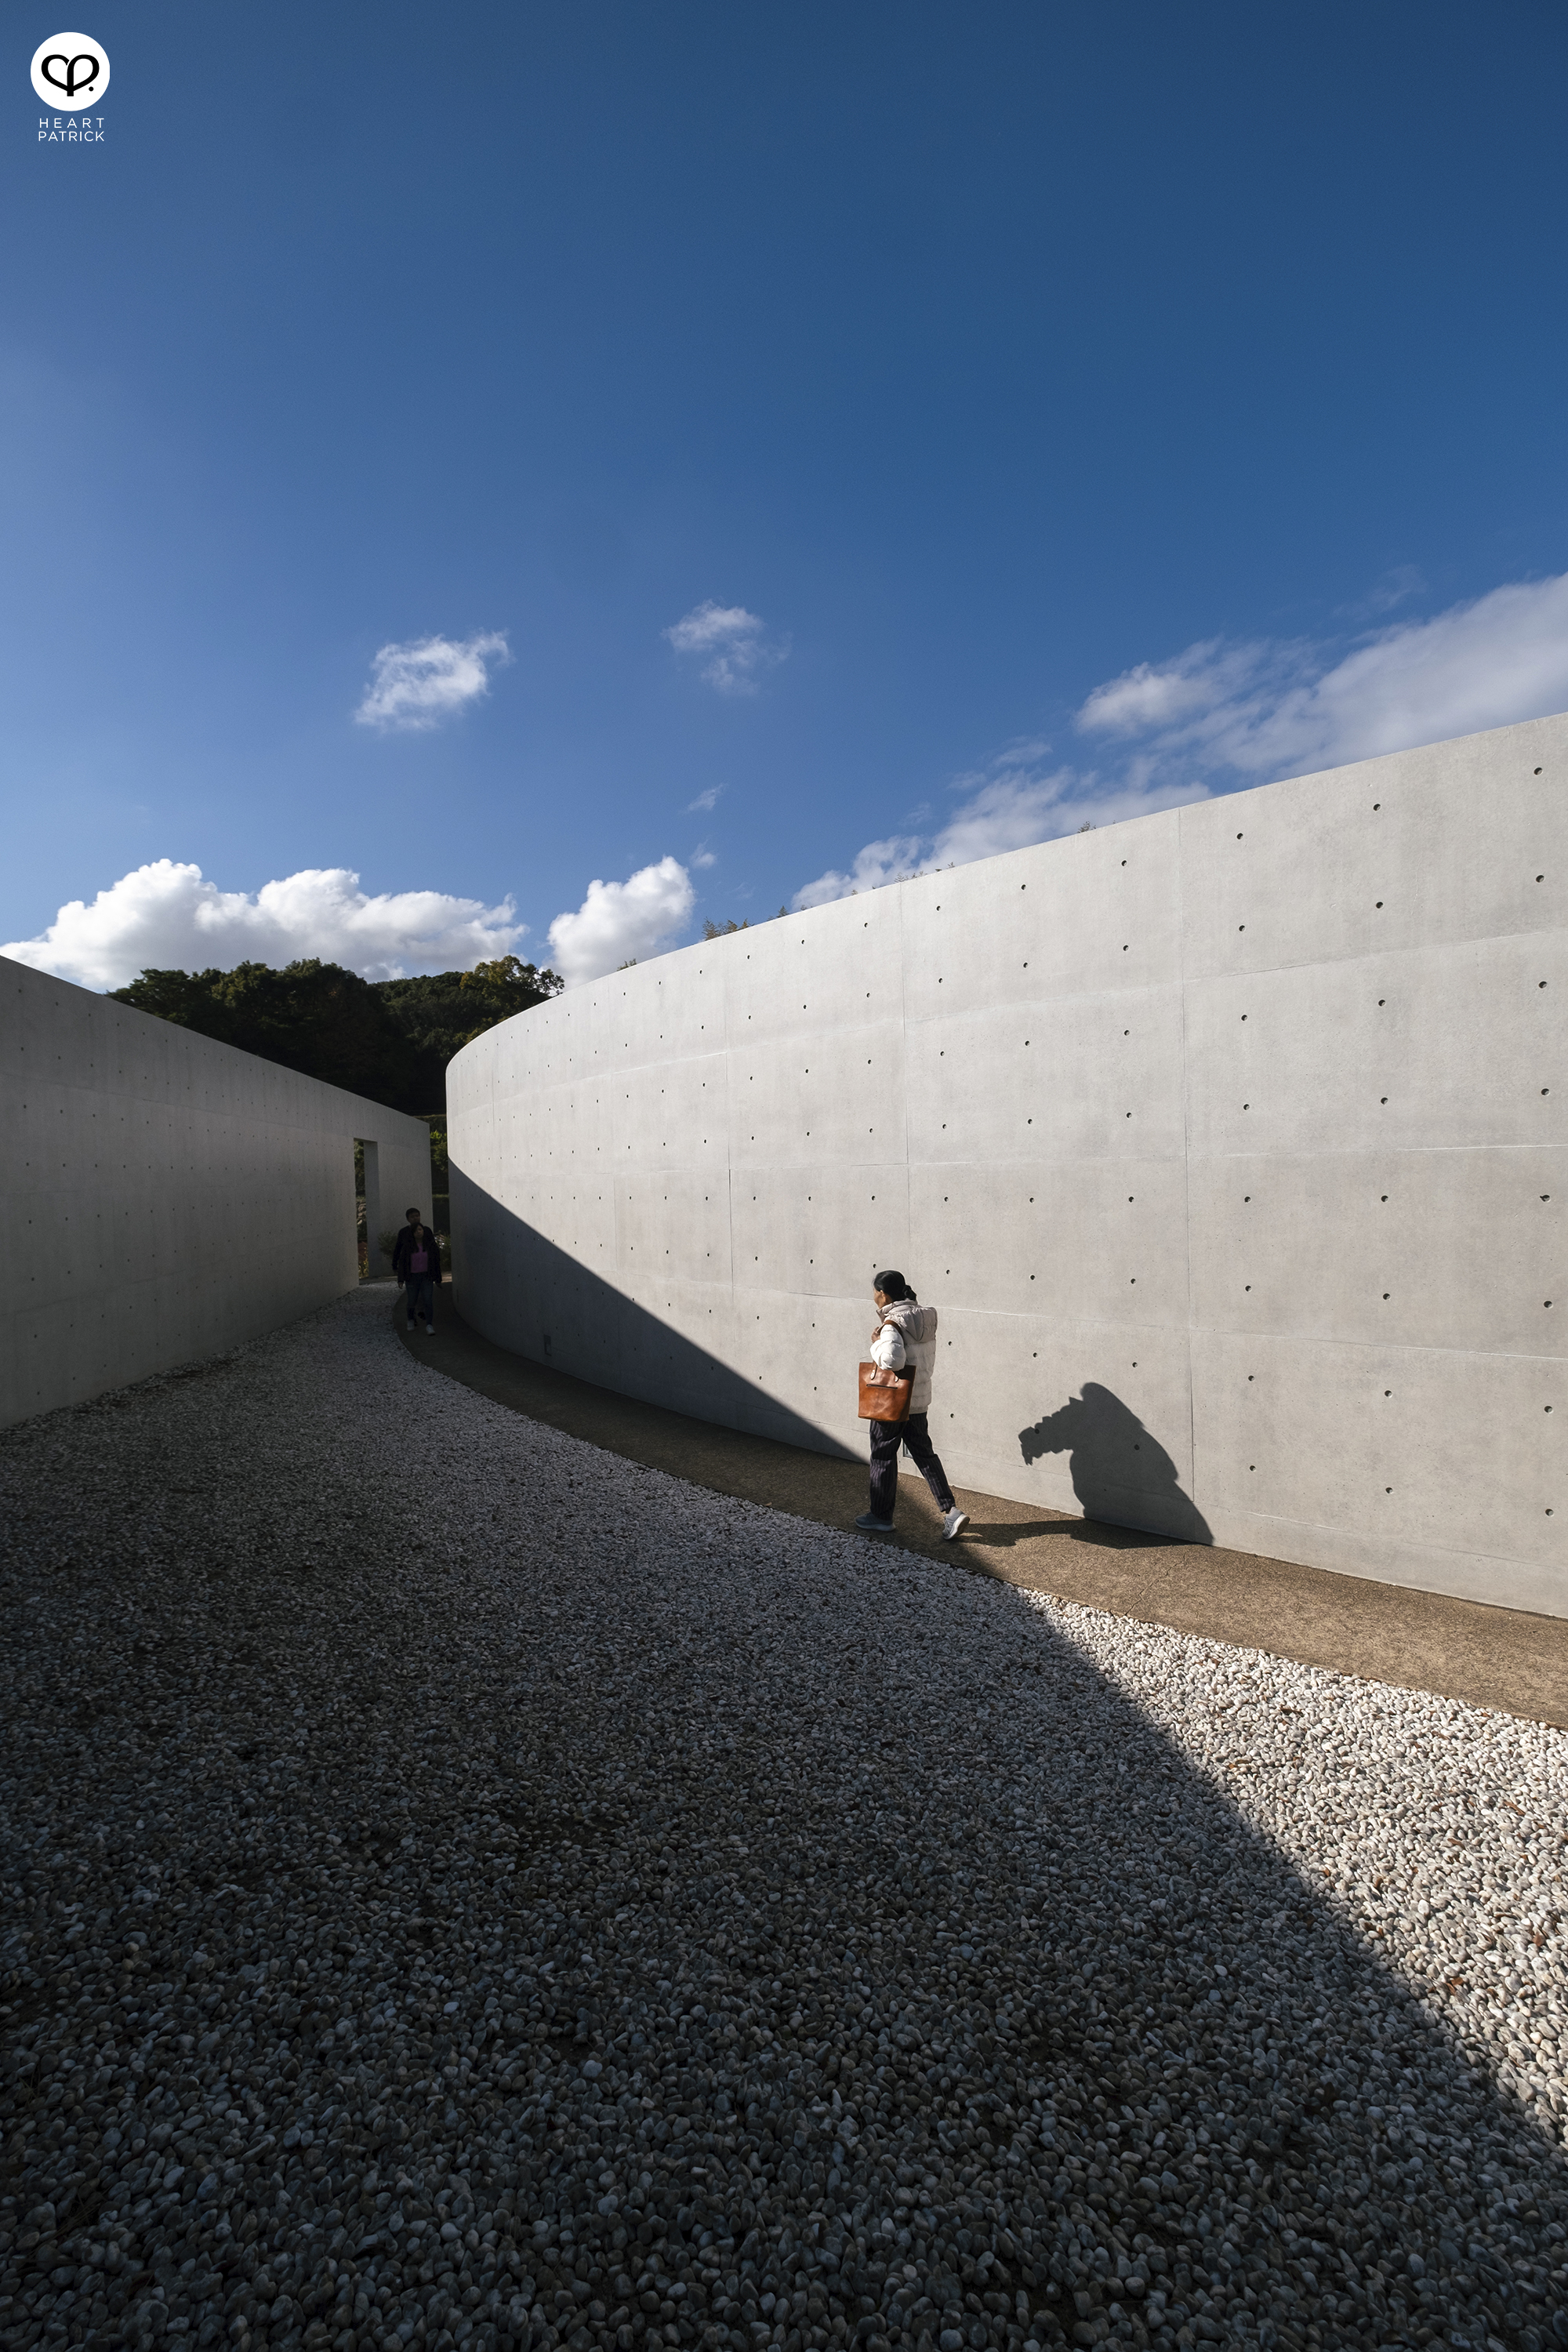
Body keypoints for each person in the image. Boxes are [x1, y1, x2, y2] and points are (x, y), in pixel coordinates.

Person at [855, 1270, 968, 1540]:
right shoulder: (924, 1318)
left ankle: (881, 1517)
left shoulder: (892, 1324)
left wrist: (876, 1344)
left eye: (875, 1292)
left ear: (884, 1294)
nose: (874, 1297)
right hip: (917, 1401)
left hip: (892, 1402)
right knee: (925, 1455)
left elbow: (892, 1361)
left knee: (882, 1456)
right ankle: (951, 1512)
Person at [392, 1209, 439, 1334]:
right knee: (412, 1299)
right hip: (412, 1275)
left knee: (427, 1299)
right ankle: (412, 1319)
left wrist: (437, 1276)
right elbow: (400, 1252)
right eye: (413, 1217)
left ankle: (428, 1323)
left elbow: (434, 1255)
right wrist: (397, 1269)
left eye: (417, 1216)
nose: (415, 1218)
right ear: (408, 1219)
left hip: (426, 1275)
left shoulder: (427, 1232)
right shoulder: (405, 1235)